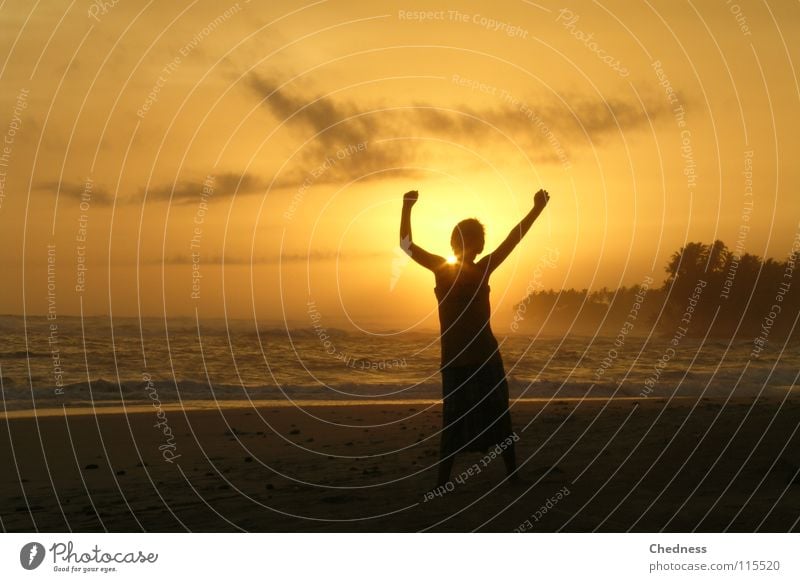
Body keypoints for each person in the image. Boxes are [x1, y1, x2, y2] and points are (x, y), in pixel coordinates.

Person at [399, 188, 551, 486]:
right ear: (455, 243)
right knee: (453, 422)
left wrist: (537, 209)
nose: (471, 245)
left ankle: (512, 475)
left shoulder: (483, 269)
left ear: (480, 246)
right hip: (456, 361)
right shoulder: (441, 270)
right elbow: (407, 246)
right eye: (464, 240)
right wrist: (406, 207)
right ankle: (443, 481)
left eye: (476, 241)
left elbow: (513, 239)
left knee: (499, 418)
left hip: (484, 359)